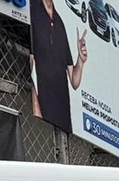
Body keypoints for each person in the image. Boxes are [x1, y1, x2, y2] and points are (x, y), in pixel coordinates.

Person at [30, 0, 87, 133]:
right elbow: (30, 64)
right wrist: (36, 107)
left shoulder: (60, 23)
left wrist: (81, 60)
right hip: (43, 112)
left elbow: (74, 81)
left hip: (64, 116)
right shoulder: (33, 11)